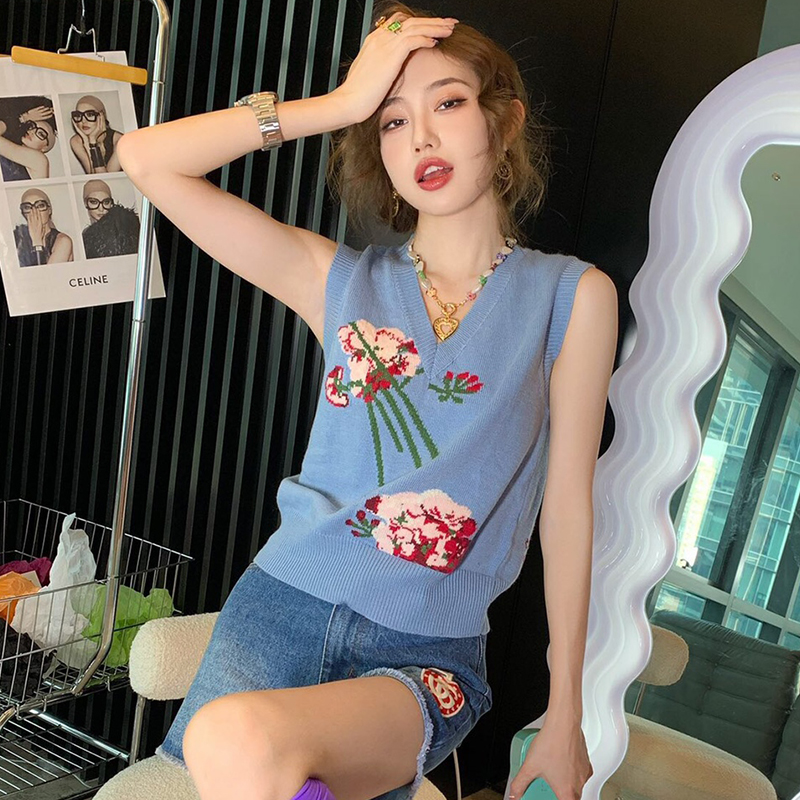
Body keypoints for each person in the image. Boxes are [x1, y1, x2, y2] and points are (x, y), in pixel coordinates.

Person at [116, 5, 617, 800]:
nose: (421, 138)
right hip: (277, 611)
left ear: (504, 121)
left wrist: (566, 713)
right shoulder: (339, 281)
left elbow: (567, 511)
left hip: (426, 653)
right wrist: (340, 103)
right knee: (235, 750)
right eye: (392, 120)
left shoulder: (571, 297)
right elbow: (144, 158)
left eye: (448, 103)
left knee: (230, 738)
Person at [0, 98, 58, 181]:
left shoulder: (40, 161)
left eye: (41, 134)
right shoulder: (8, 145)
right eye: (31, 126)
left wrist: (23, 118)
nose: (32, 132)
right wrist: (23, 118)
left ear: (44, 148)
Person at [81, 179, 140, 258]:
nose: (101, 209)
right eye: (94, 202)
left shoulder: (125, 228)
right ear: (85, 203)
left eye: (106, 202)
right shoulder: (85, 236)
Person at [14, 188, 73, 266]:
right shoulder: (19, 237)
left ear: (49, 210)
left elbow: (46, 273)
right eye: (27, 207)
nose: (35, 212)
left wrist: (37, 244)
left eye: (40, 205)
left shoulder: (63, 241)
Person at [69, 95, 123, 174]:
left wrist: (93, 143)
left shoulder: (121, 141)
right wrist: (88, 143)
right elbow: (93, 175)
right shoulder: (76, 141)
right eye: (78, 115)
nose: (83, 121)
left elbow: (104, 178)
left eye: (90, 115)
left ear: (101, 116)